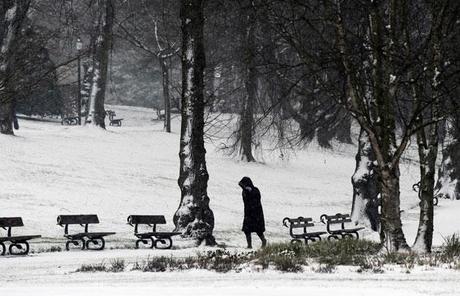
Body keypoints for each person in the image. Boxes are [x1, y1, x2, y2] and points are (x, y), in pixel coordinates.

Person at [239, 176, 267, 248]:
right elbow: (246, 200)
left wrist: (251, 191)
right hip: (248, 213)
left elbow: (257, 198)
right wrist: (247, 191)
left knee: (258, 230)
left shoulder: (255, 190)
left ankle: (263, 240)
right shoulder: (244, 192)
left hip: (256, 213)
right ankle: (249, 245)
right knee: (247, 230)